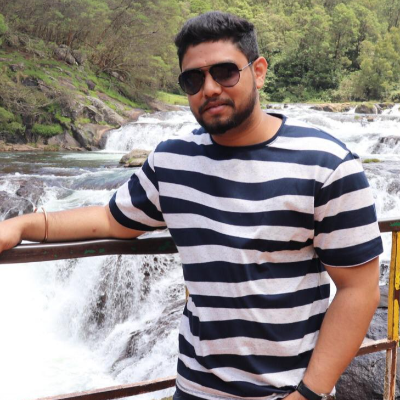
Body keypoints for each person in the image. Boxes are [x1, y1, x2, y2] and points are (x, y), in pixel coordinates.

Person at [0, 11, 383, 400]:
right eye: (193, 79)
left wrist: (309, 393)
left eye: (225, 72)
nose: (210, 88)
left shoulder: (325, 163)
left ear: (258, 72)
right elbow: (110, 220)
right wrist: (23, 225)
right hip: (193, 390)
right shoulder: (172, 161)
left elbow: (359, 289)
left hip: (285, 393)